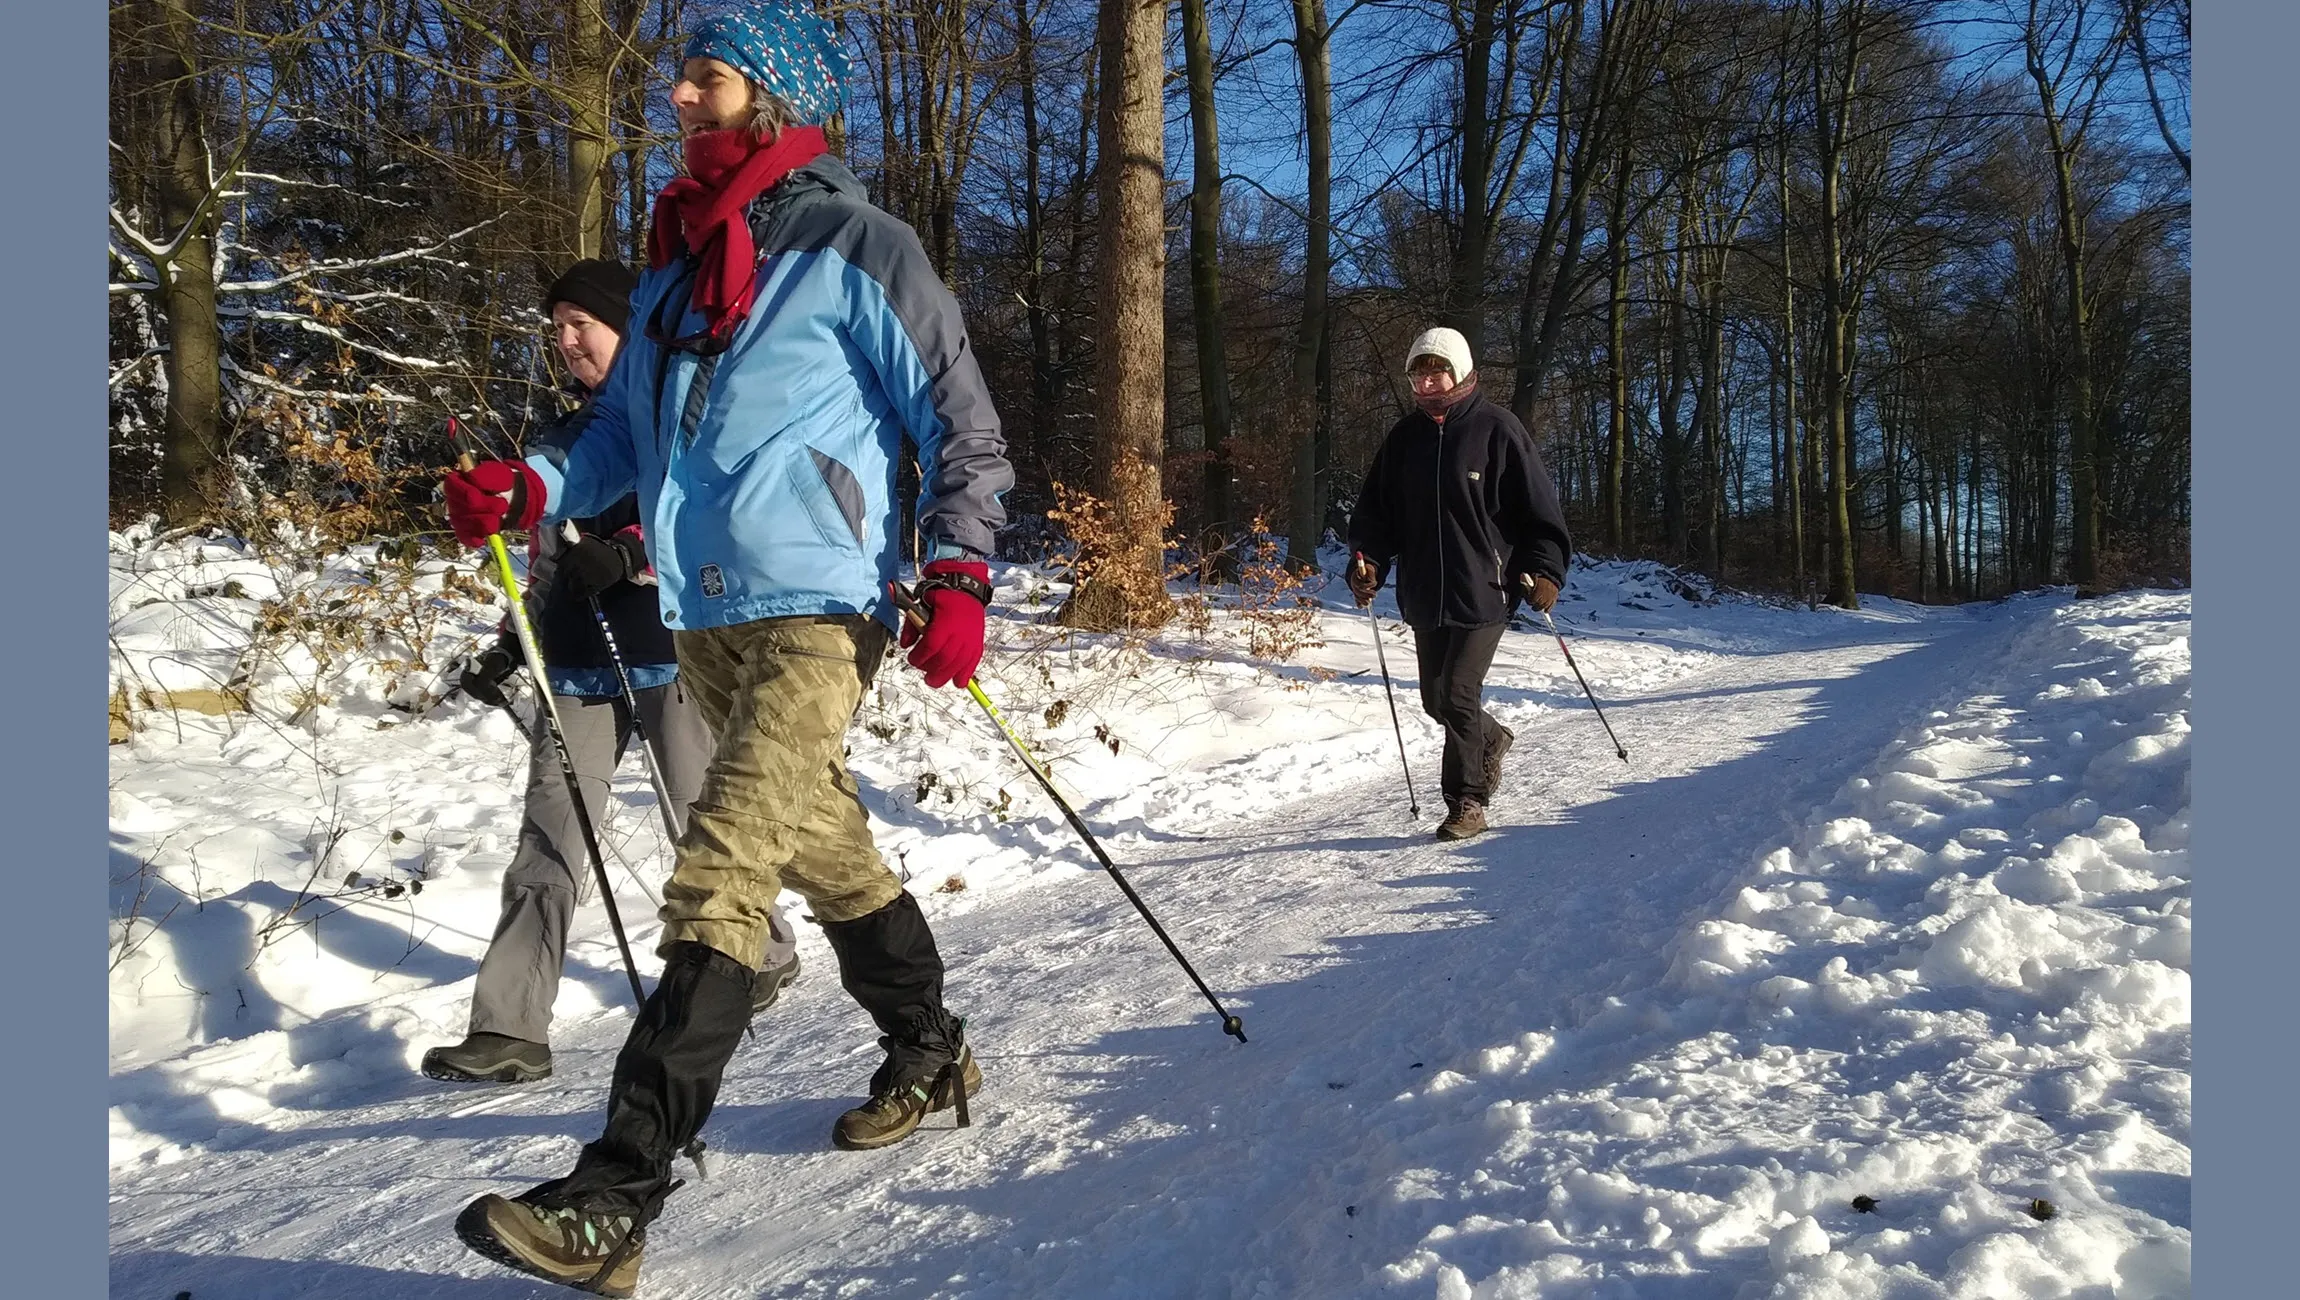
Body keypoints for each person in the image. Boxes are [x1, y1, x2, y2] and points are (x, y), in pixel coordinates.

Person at [438, 4, 1013, 1292]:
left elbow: (962, 427)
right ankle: (928, 1045)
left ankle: (617, 1194)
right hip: (701, 617)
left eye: (706, 79)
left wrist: (960, 570)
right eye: (680, 82)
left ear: (775, 93)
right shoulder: (670, 274)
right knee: (826, 847)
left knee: (723, 867)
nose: (681, 102)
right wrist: (533, 485)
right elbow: (619, 449)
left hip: (821, 608)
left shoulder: (863, 249)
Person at [424, 260, 802, 1086]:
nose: (563, 343)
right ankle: (510, 1028)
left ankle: (763, 948)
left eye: (578, 325)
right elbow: (547, 560)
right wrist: (510, 641)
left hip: (670, 655)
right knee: (548, 843)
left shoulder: (684, 425)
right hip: (577, 663)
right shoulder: (561, 441)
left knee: (702, 822)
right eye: (554, 328)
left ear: (625, 330)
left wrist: (630, 554)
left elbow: (713, 530)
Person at [1345, 326, 1572, 842]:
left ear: (1462, 371)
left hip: (1487, 588)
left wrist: (1548, 571)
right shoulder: (1404, 440)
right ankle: (1491, 739)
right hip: (1425, 590)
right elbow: (1376, 518)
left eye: (1436, 371)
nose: (1427, 383)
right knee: (1436, 701)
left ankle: (1467, 802)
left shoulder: (1498, 430)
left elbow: (1540, 513)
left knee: (1457, 691)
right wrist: (1368, 563)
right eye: (1419, 375)